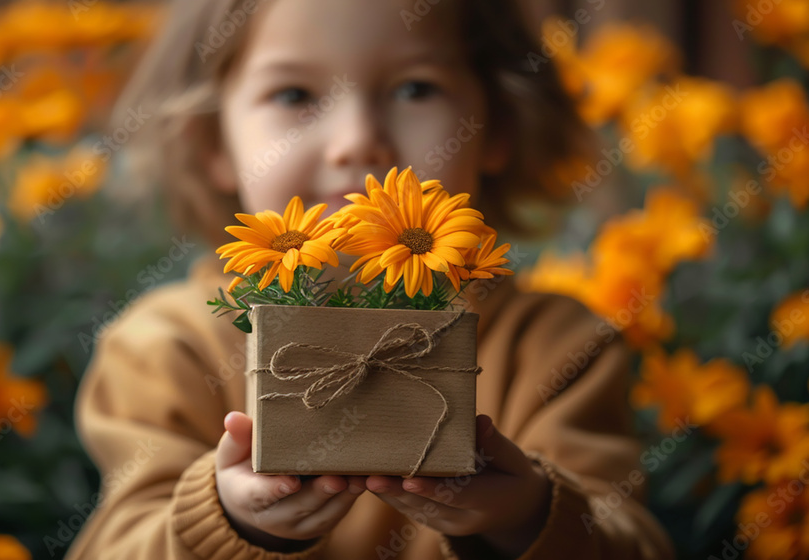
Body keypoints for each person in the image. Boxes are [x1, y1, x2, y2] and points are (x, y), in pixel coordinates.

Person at [65, 0, 675, 558]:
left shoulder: (557, 348)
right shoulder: (165, 350)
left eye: (415, 88)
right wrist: (226, 520)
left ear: (500, 124)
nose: (358, 141)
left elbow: (634, 542)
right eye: (295, 95)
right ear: (210, 142)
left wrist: (527, 516)